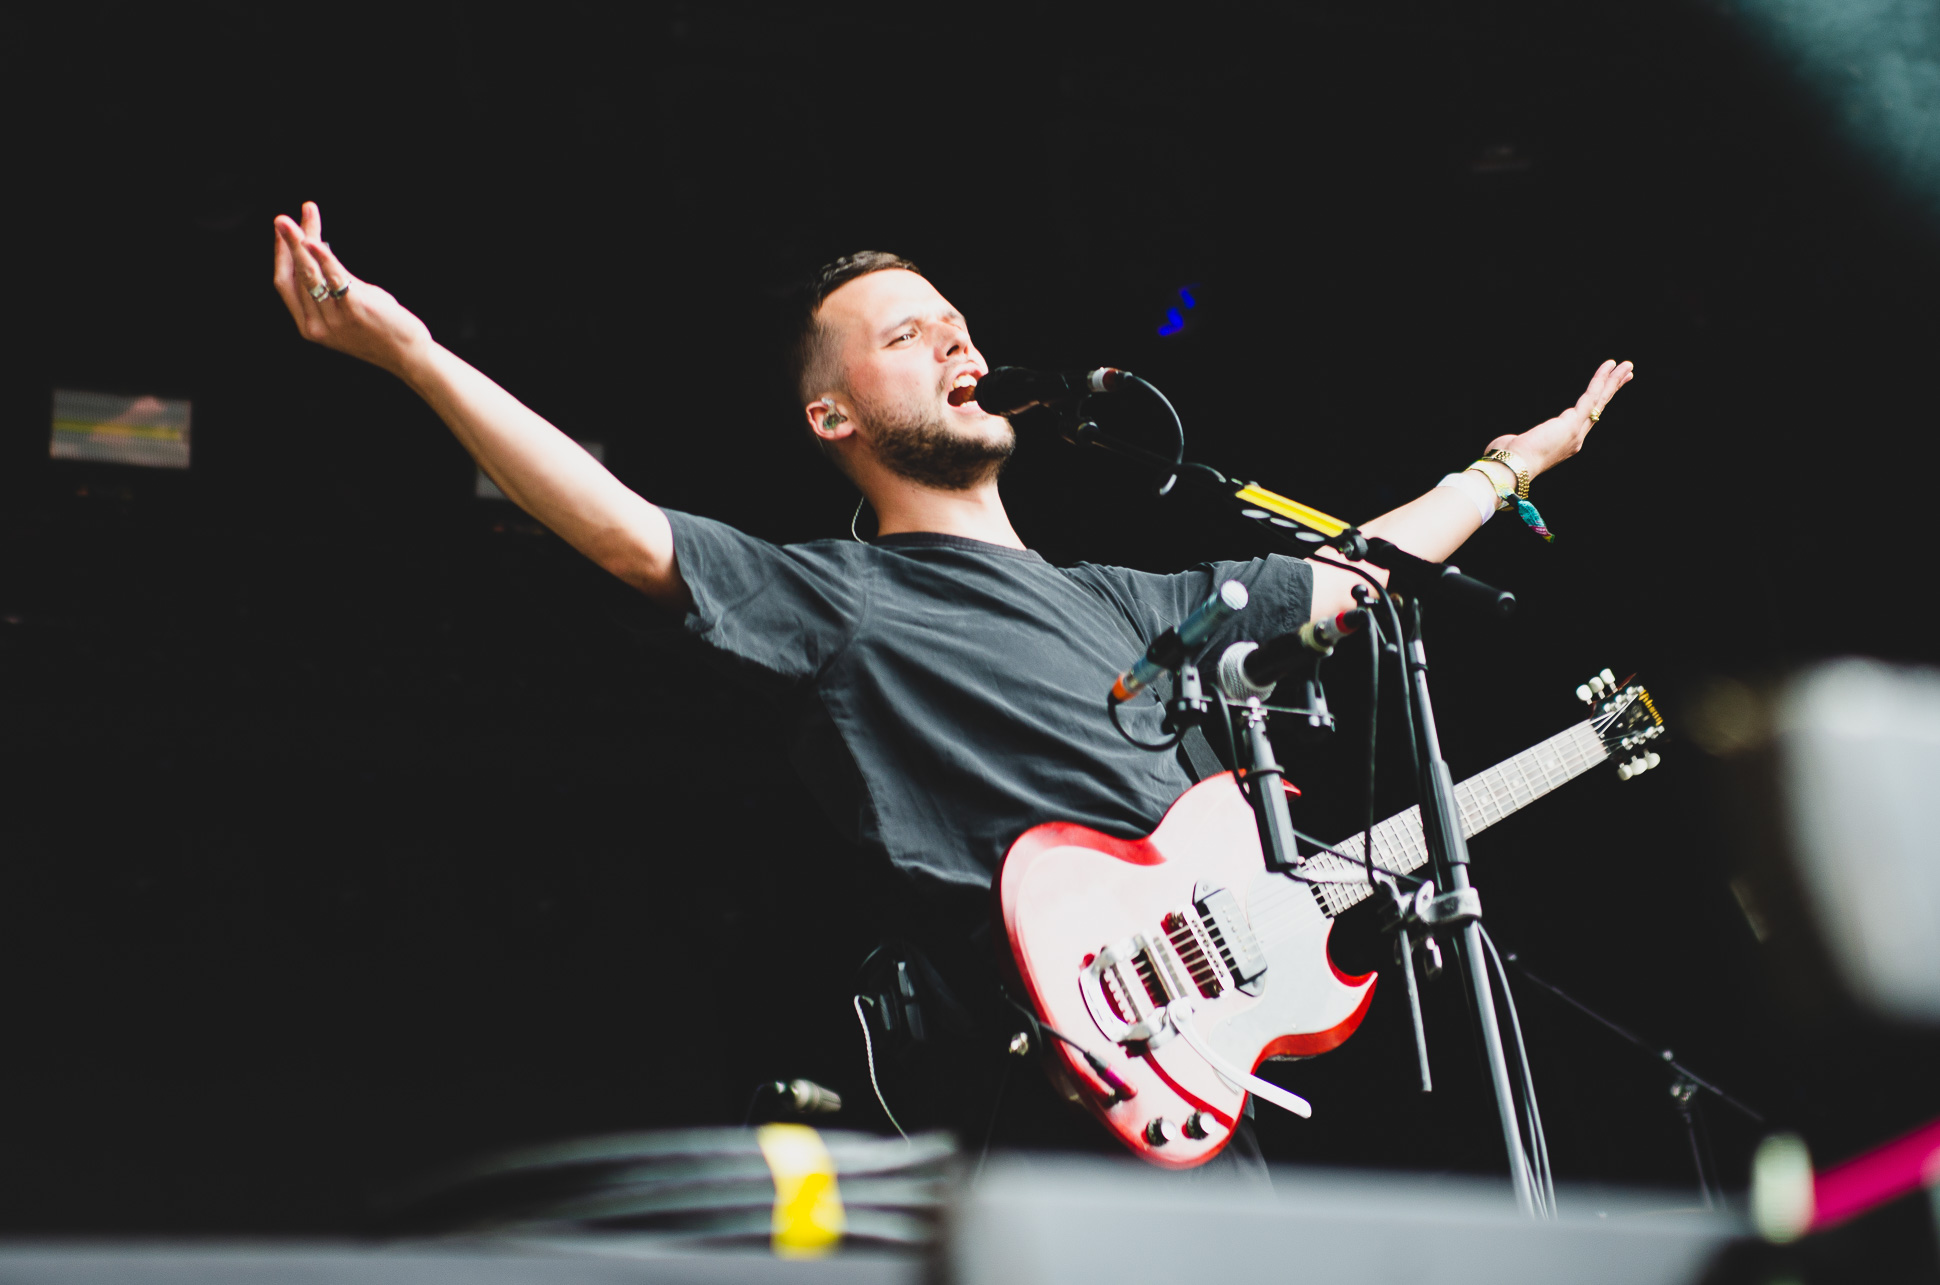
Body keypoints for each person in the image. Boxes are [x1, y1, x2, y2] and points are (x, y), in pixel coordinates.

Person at [271, 202, 1633, 1169]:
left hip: (1192, 1085)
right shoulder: (839, 597)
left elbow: (1350, 576)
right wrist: (412, 353)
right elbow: (629, 529)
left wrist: (1512, 465)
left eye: (958, 325)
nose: (957, 344)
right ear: (834, 418)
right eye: (910, 335)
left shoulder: (1124, 596)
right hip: (1036, 1082)